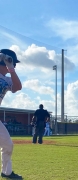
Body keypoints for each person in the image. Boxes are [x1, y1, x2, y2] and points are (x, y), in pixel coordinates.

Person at [0, 49, 22, 179]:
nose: (14, 65)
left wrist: (11, 68)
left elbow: (18, 87)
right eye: (12, 62)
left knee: (8, 144)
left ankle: (6, 172)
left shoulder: (8, 80)